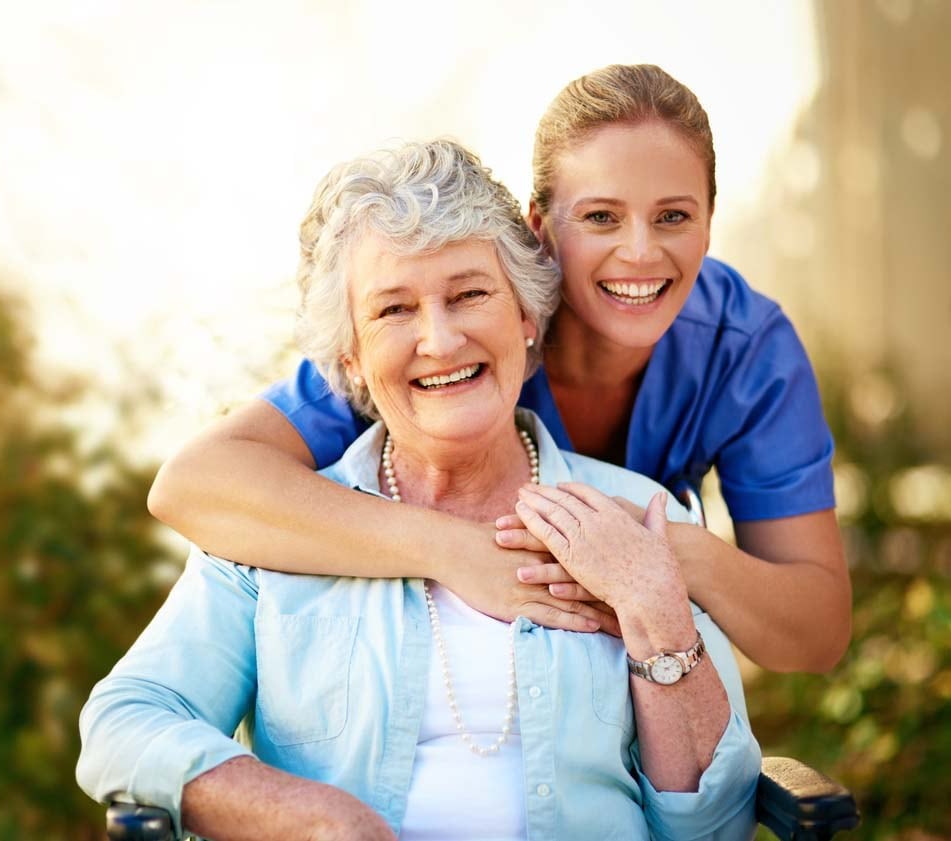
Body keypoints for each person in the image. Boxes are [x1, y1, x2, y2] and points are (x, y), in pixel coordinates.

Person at [78, 139, 760, 840]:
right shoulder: (268, 531)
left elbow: (715, 824)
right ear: (350, 355)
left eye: (468, 294)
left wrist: (655, 611)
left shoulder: (641, 513)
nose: (438, 339)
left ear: (526, 319)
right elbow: (127, 718)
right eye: (392, 310)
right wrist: (313, 818)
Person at [146, 64, 850, 674]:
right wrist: (455, 550)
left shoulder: (745, 348)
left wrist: (661, 553)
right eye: (601, 217)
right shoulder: (462, 325)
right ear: (539, 225)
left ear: (707, 220)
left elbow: (815, 634)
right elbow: (195, 485)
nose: (639, 252)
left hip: (629, 679)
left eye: (672, 216)